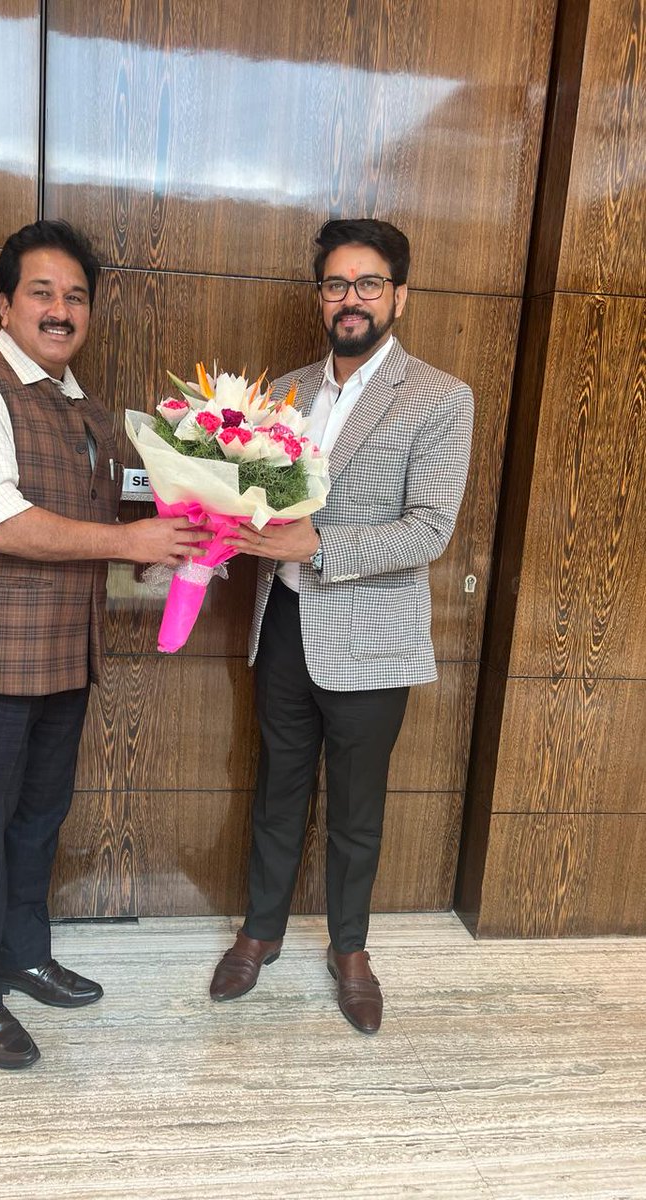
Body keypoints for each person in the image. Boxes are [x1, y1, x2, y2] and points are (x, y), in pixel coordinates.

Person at [0, 219, 209, 1070]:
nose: (59, 309)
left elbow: (126, 500)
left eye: (75, 296)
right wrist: (133, 545)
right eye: (41, 292)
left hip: (61, 659)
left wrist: (214, 506)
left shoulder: (81, 406)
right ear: (5, 304)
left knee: (37, 822)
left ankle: (20, 954)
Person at [210, 218, 474, 1034]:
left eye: (367, 284)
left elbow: (429, 529)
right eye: (336, 284)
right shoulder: (283, 390)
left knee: (358, 808)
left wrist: (317, 542)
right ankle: (260, 931)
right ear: (320, 295)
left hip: (371, 636)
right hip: (281, 623)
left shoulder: (438, 396)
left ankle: (350, 951)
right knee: (276, 790)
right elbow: (252, 498)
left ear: (399, 294)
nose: (350, 299)